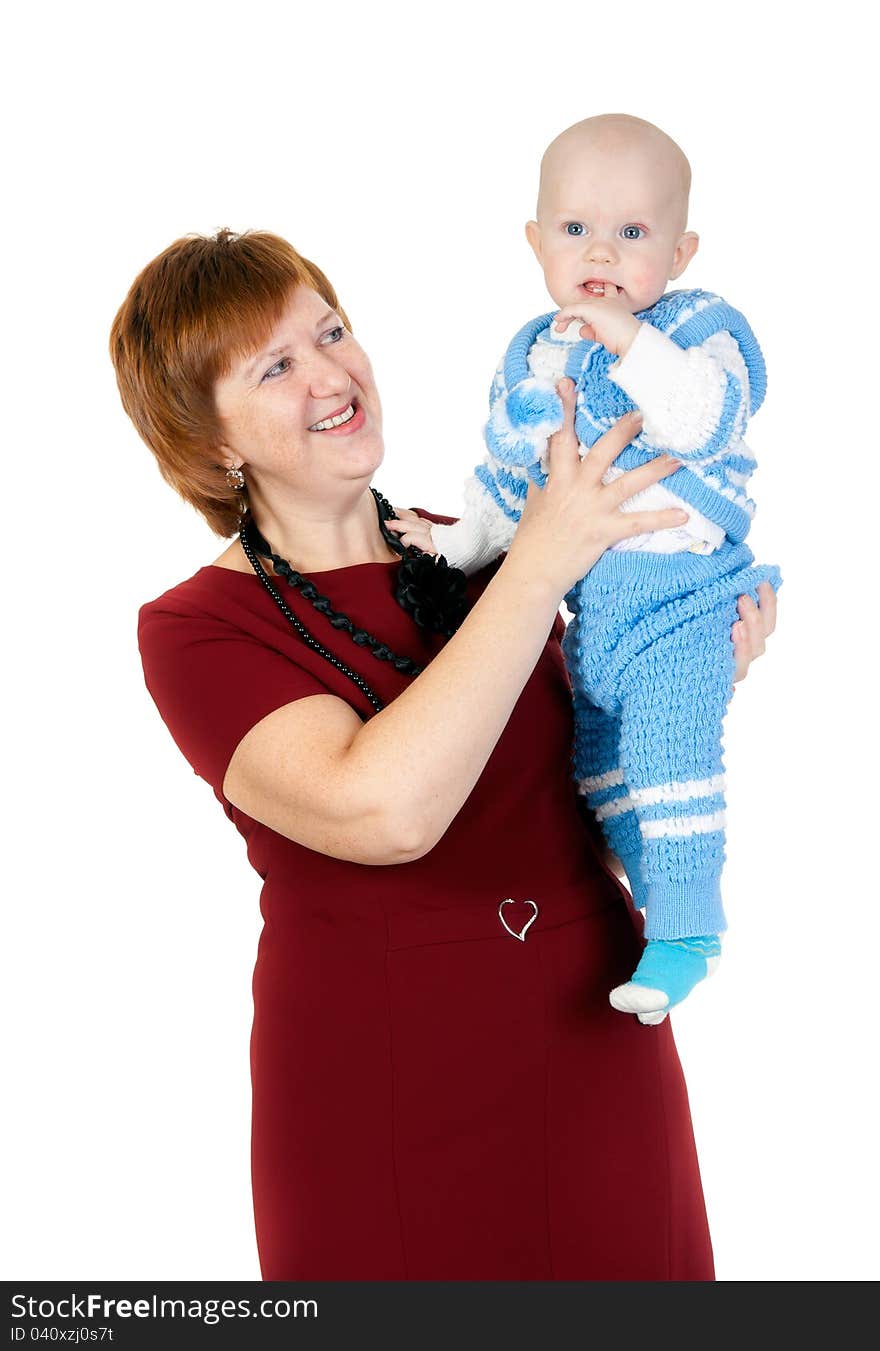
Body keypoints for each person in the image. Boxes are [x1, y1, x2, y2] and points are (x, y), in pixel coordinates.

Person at [111, 227, 774, 1281]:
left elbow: (565, 795)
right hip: (384, 1085)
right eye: (275, 366)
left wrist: (690, 672)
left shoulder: (479, 543)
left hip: (594, 1043)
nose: (331, 374)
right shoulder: (196, 628)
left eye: (330, 332)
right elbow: (383, 813)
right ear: (211, 441)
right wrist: (544, 556)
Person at [421, 114, 782, 1024]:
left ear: (682, 249)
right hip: (597, 617)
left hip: (686, 592)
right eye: (577, 229)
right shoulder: (532, 354)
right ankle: (652, 907)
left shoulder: (697, 329)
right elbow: (514, 481)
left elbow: (706, 418)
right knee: (601, 769)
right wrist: (460, 543)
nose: (604, 253)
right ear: (537, 241)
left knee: (670, 750)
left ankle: (691, 927)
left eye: (634, 234)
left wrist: (629, 339)